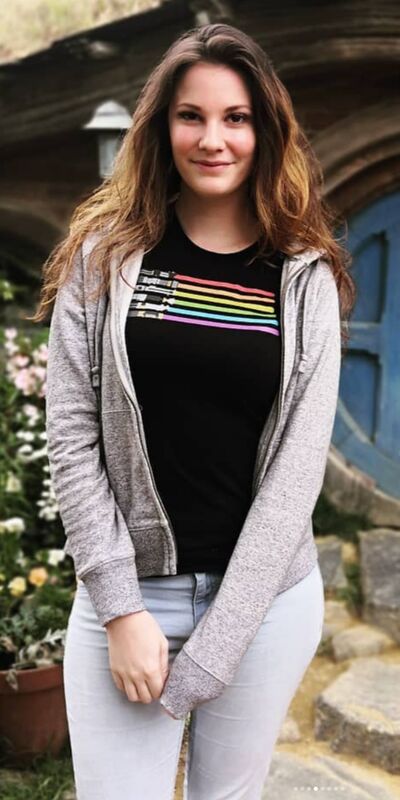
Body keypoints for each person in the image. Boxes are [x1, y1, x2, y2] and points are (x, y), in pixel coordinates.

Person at [31, 22, 355, 800]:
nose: (213, 139)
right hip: (130, 595)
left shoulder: (305, 278)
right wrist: (120, 610)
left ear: (265, 130)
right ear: (160, 127)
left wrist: (221, 643)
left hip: (265, 604)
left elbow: (296, 473)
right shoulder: (104, 257)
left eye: (236, 117)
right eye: (191, 116)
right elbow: (72, 439)